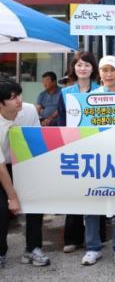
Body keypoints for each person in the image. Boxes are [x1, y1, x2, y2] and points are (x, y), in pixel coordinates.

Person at [82, 56, 115, 266]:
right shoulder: (90, 98)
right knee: (92, 202)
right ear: (99, 73)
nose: (109, 74)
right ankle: (93, 248)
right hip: (96, 158)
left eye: (113, 70)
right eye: (105, 70)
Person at [57, 51, 107, 253]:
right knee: (75, 192)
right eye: (79, 65)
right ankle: (73, 238)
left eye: (87, 64)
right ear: (73, 68)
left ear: (93, 68)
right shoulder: (66, 93)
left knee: (97, 191)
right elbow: (61, 122)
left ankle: (97, 237)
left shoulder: (102, 91)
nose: (83, 68)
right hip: (74, 148)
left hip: (98, 148)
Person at [0, 80, 50, 268]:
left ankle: (33, 248)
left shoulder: (28, 111)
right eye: (12, 98)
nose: (19, 100)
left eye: (19, 94)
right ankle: (1, 252)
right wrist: (12, 197)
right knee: (2, 210)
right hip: (2, 166)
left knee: (35, 204)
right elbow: (0, 166)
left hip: (23, 162)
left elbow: (36, 141)